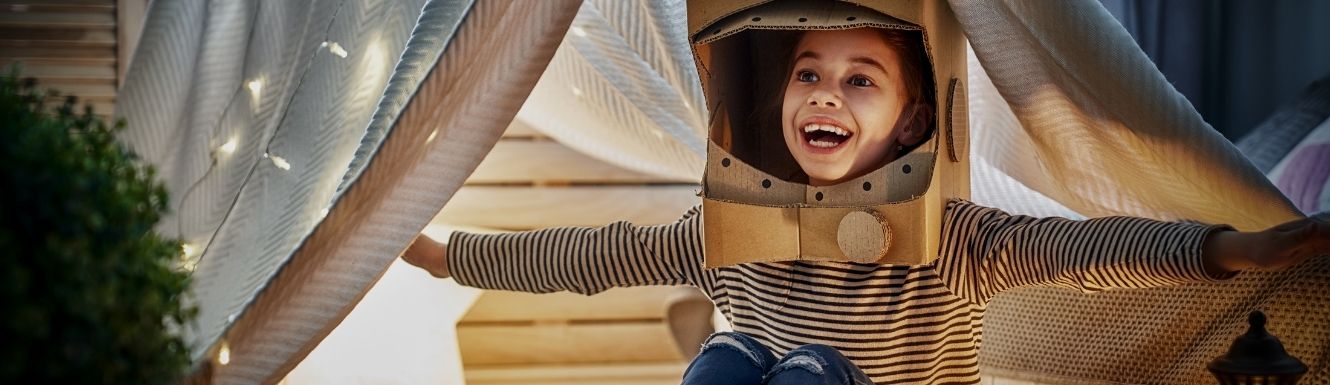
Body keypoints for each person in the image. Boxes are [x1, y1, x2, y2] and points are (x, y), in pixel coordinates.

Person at [402, 26, 1330, 385]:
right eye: (808, 73)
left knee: (808, 374)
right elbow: (595, 255)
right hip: (751, 367)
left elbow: (1083, 250)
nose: (824, 94)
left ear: (910, 120)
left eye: (860, 79)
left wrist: (1224, 248)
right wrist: (453, 258)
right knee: (727, 368)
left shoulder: (954, 237)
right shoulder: (732, 225)